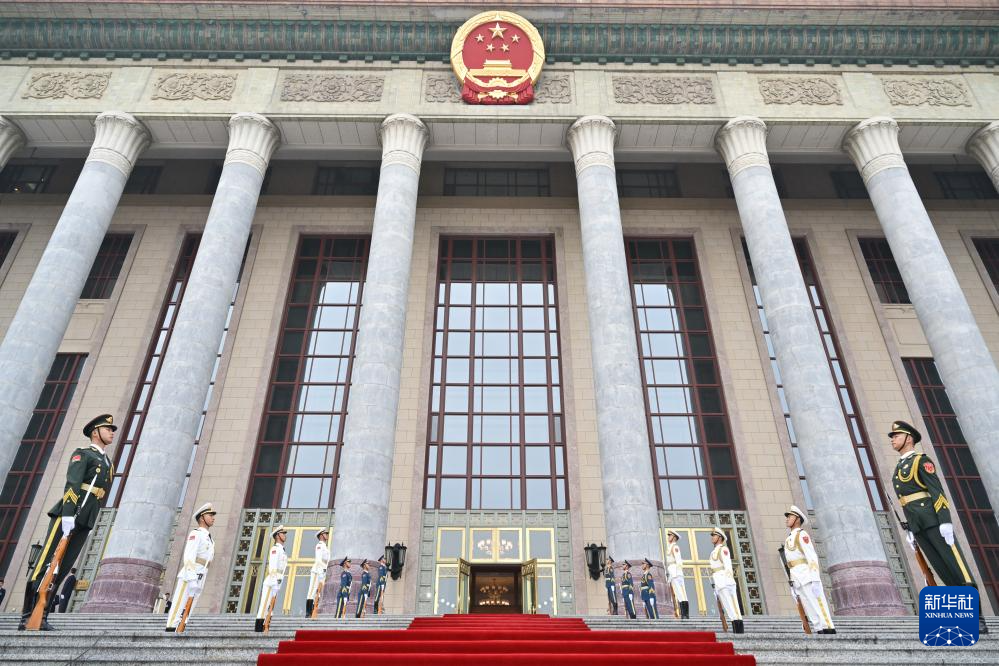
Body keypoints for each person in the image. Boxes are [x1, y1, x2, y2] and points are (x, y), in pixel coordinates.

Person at [889, 420, 988, 635]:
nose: (893, 440)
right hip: (919, 526)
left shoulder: (921, 461)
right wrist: (910, 528)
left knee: (957, 568)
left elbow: (937, 492)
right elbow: (906, 502)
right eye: (892, 437)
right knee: (942, 570)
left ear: (909, 438)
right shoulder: (899, 468)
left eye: (896, 436)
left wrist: (945, 521)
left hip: (934, 522)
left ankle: (978, 617)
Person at [20, 414, 116, 631]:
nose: (111, 433)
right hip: (69, 514)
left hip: (86, 519)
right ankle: (27, 616)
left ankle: (41, 616)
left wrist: (89, 520)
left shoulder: (107, 463)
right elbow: (73, 484)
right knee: (46, 562)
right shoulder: (83, 454)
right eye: (108, 429)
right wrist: (68, 515)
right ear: (95, 432)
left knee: (62, 568)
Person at [782, 505, 835, 634]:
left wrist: (815, 578)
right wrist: (792, 583)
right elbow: (790, 564)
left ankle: (828, 630)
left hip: (807, 576)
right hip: (797, 578)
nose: (787, 519)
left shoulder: (802, 535)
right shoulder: (789, 538)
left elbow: (811, 557)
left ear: (797, 519)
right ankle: (819, 630)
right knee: (809, 608)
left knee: (818, 606)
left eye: (790, 516)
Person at [166, 503, 216, 632]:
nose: (213, 518)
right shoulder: (196, 534)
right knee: (179, 605)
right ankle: (170, 631)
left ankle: (181, 629)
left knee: (189, 608)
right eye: (210, 515)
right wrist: (192, 578)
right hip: (190, 576)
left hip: (202, 574)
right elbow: (189, 557)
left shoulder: (210, 539)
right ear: (202, 518)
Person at [709, 526, 743, 633]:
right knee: (728, 607)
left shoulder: (723, 549)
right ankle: (735, 630)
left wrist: (729, 583)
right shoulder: (714, 551)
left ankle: (739, 631)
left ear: (720, 537)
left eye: (714, 535)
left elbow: (728, 566)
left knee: (734, 607)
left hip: (725, 581)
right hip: (719, 582)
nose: (712, 537)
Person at [254, 525, 288, 632]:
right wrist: (275, 582)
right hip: (272, 582)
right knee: (265, 604)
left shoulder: (282, 550)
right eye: (283, 533)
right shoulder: (275, 549)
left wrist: (279, 581)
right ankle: (259, 628)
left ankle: (266, 625)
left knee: (270, 605)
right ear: (277, 535)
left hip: (277, 580)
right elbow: (272, 567)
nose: (285, 535)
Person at [306, 528, 330, 618]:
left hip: (323, 571)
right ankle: (308, 612)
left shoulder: (325, 547)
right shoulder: (319, 546)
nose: (327, 535)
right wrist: (321, 572)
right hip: (317, 571)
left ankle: (314, 610)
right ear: (321, 535)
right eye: (325, 533)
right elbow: (319, 560)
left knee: (318, 592)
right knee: (312, 591)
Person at [666, 530, 689, 619]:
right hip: (672, 572)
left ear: (674, 537)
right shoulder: (670, 547)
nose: (668, 537)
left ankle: (685, 614)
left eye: (670, 535)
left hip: (676, 572)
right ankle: (683, 613)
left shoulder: (675, 547)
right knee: (678, 593)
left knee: (682, 593)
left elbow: (678, 561)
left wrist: (677, 573)